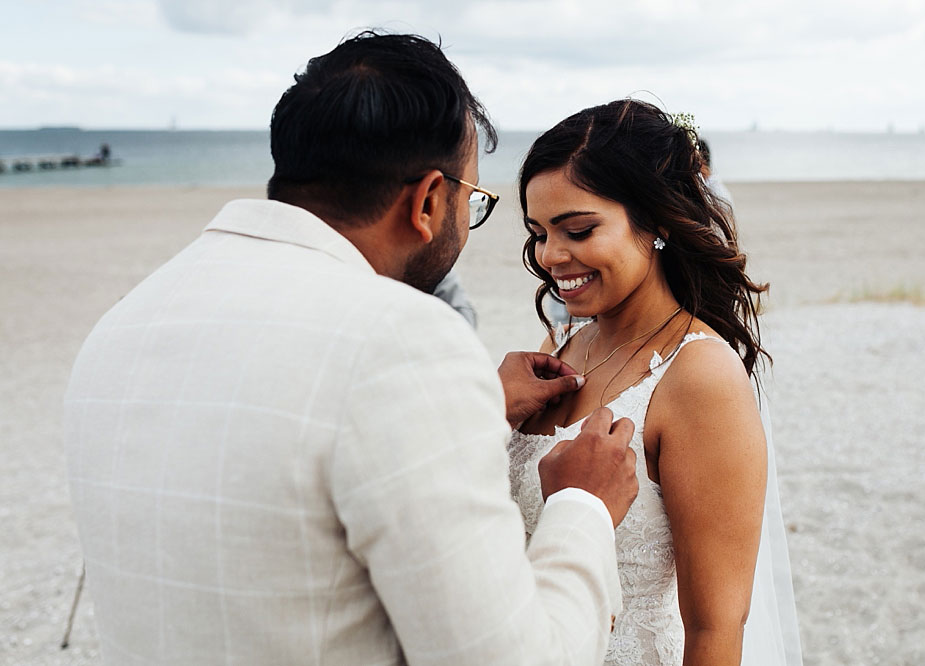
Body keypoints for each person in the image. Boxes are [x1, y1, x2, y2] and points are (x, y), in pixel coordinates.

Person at [64, 32, 640, 665]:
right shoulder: (401, 343)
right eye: (472, 200)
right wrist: (582, 507)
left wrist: (468, 412)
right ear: (427, 201)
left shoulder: (126, 322)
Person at [507, 100, 802, 665]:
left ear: (658, 219)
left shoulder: (700, 376)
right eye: (538, 232)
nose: (551, 256)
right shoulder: (561, 348)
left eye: (578, 229)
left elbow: (716, 629)